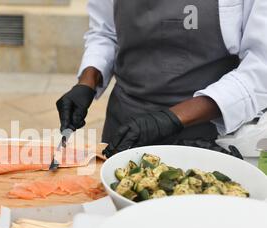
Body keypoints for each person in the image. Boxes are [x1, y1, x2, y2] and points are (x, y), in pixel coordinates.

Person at [56, 0, 267, 158]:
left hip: (207, 135)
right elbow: (105, 33)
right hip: (125, 128)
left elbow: (260, 67)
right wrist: (87, 81)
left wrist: (171, 118)